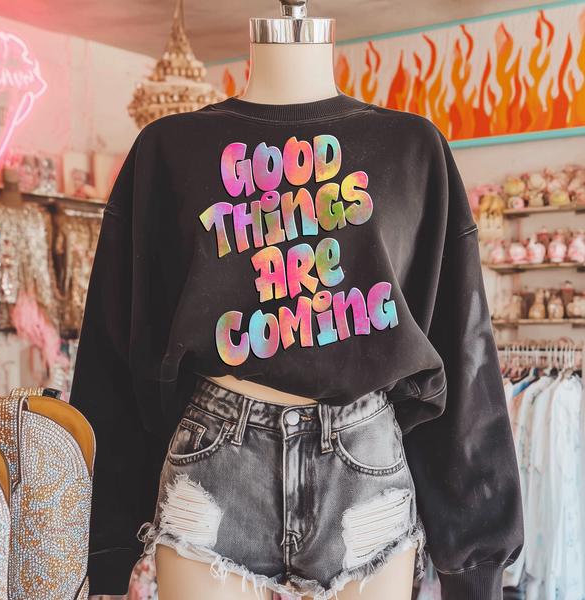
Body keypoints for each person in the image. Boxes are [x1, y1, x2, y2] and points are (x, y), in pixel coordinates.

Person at [69, 2, 524, 599]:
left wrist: (476, 558)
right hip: (216, 464)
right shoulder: (166, 149)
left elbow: (461, 345)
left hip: (362, 466)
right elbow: (115, 351)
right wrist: (99, 546)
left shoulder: (414, 148)